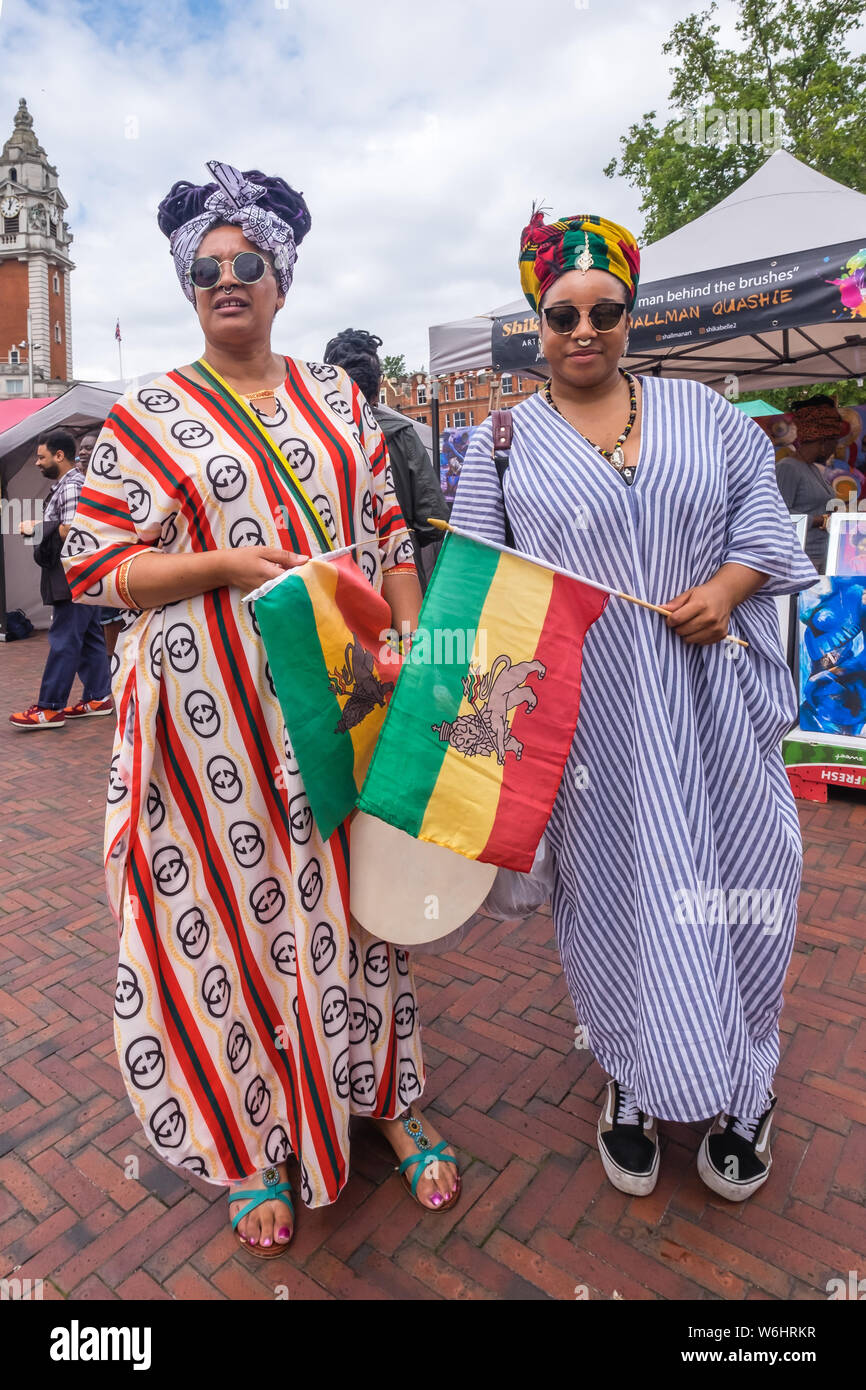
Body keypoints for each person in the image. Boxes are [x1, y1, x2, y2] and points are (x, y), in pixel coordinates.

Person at [62, 160, 460, 1257]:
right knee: (233, 927)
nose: (225, 280)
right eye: (206, 269)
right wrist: (219, 564)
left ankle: (386, 1096)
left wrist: (419, 642)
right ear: (189, 287)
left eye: (247, 265)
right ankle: (252, 1140)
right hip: (212, 725)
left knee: (365, 900)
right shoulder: (147, 415)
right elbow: (95, 564)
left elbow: (388, 533)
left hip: (339, 698)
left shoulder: (340, 402)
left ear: (282, 279)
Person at [451, 209, 818, 1201]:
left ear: (630, 312)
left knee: (750, 885)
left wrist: (732, 587)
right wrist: (474, 758)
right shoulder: (496, 443)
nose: (582, 329)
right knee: (618, 899)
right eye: (560, 312)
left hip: (712, 705)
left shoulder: (705, 416)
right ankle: (628, 1074)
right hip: (592, 725)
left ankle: (748, 1085)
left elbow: (758, 513)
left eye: (604, 310)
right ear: (535, 319)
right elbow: (476, 596)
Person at [323, 328, 449, 589]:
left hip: (338, 583)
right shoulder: (403, 435)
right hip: (403, 582)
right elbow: (433, 521)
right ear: (379, 383)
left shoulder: (314, 438)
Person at [9, 430, 112, 730]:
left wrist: (36, 528)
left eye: (41, 457)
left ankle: (50, 708)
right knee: (91, 636)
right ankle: (98, 697)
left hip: (72, 573)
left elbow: (74, 529)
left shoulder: (71, 486)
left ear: (59, 456)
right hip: (80, 574)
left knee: (64, 639)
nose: (38, 463)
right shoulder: (71, 484)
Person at [775, 397, 846, 572]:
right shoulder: (787, 468)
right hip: (802, 559)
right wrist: (822, 520)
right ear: (823, 442)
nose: (835, 449)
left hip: (821, 554)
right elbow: (779, 513)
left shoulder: (812, 469)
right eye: (834, 443)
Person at [78, 429, 126, 658]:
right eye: (81, 448)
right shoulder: (80, 481)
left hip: (110, 560)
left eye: (89, 447)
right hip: (86, 564)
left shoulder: (114, 480)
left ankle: (111, 667)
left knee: (110, 624)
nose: (83, 452)